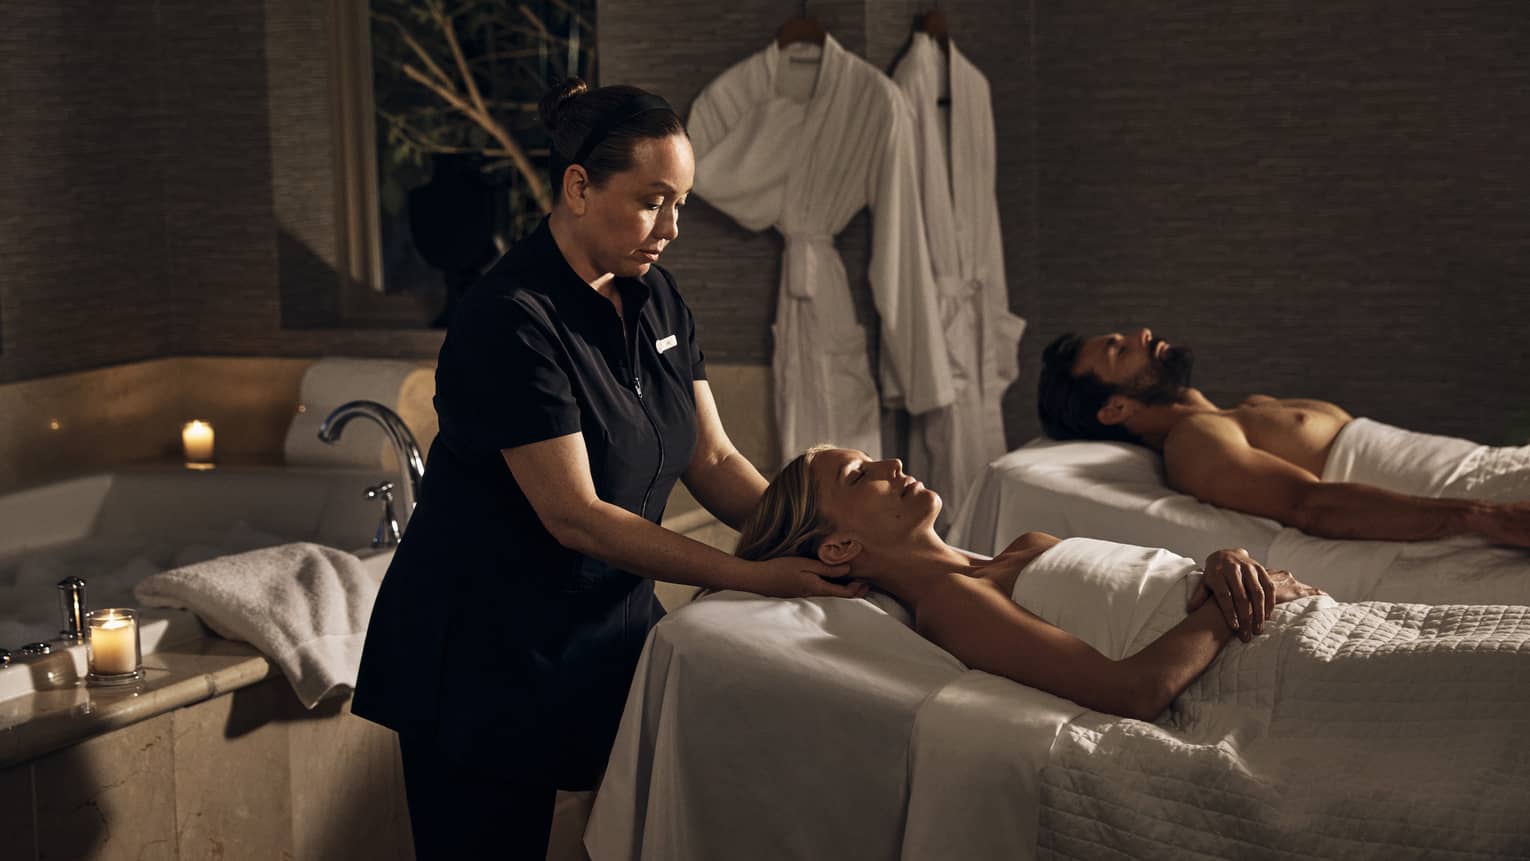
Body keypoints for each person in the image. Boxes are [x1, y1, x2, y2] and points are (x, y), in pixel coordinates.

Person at [350, 80, 867, 859]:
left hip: (601, 633)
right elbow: (577, 515)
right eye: (654, 200)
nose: (673, 227)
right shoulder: (509, 319)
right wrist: (760, 575)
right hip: (479, 659)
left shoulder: (654, 296)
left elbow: (713, 455)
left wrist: (829, 537)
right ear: (579, 186)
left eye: (683, 203)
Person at [734, 445, 1326, 720]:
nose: (893, 466)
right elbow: (1133, 692)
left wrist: (1226, 559)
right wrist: (1229, 603)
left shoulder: (1025, 548)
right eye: (861, 477)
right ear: (839, 547)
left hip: (1297, 617)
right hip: (1268, 655)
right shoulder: (950, 604)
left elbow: (1166, 586)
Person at [1036, 328, 1530, 546]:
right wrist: (1479, 515)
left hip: (1495, 468)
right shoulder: (1194, 440)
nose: (1141, 333)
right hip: (1485, 501)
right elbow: (1310, 506)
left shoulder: (1245, 409)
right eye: (1119, 351)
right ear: (1115, 408)